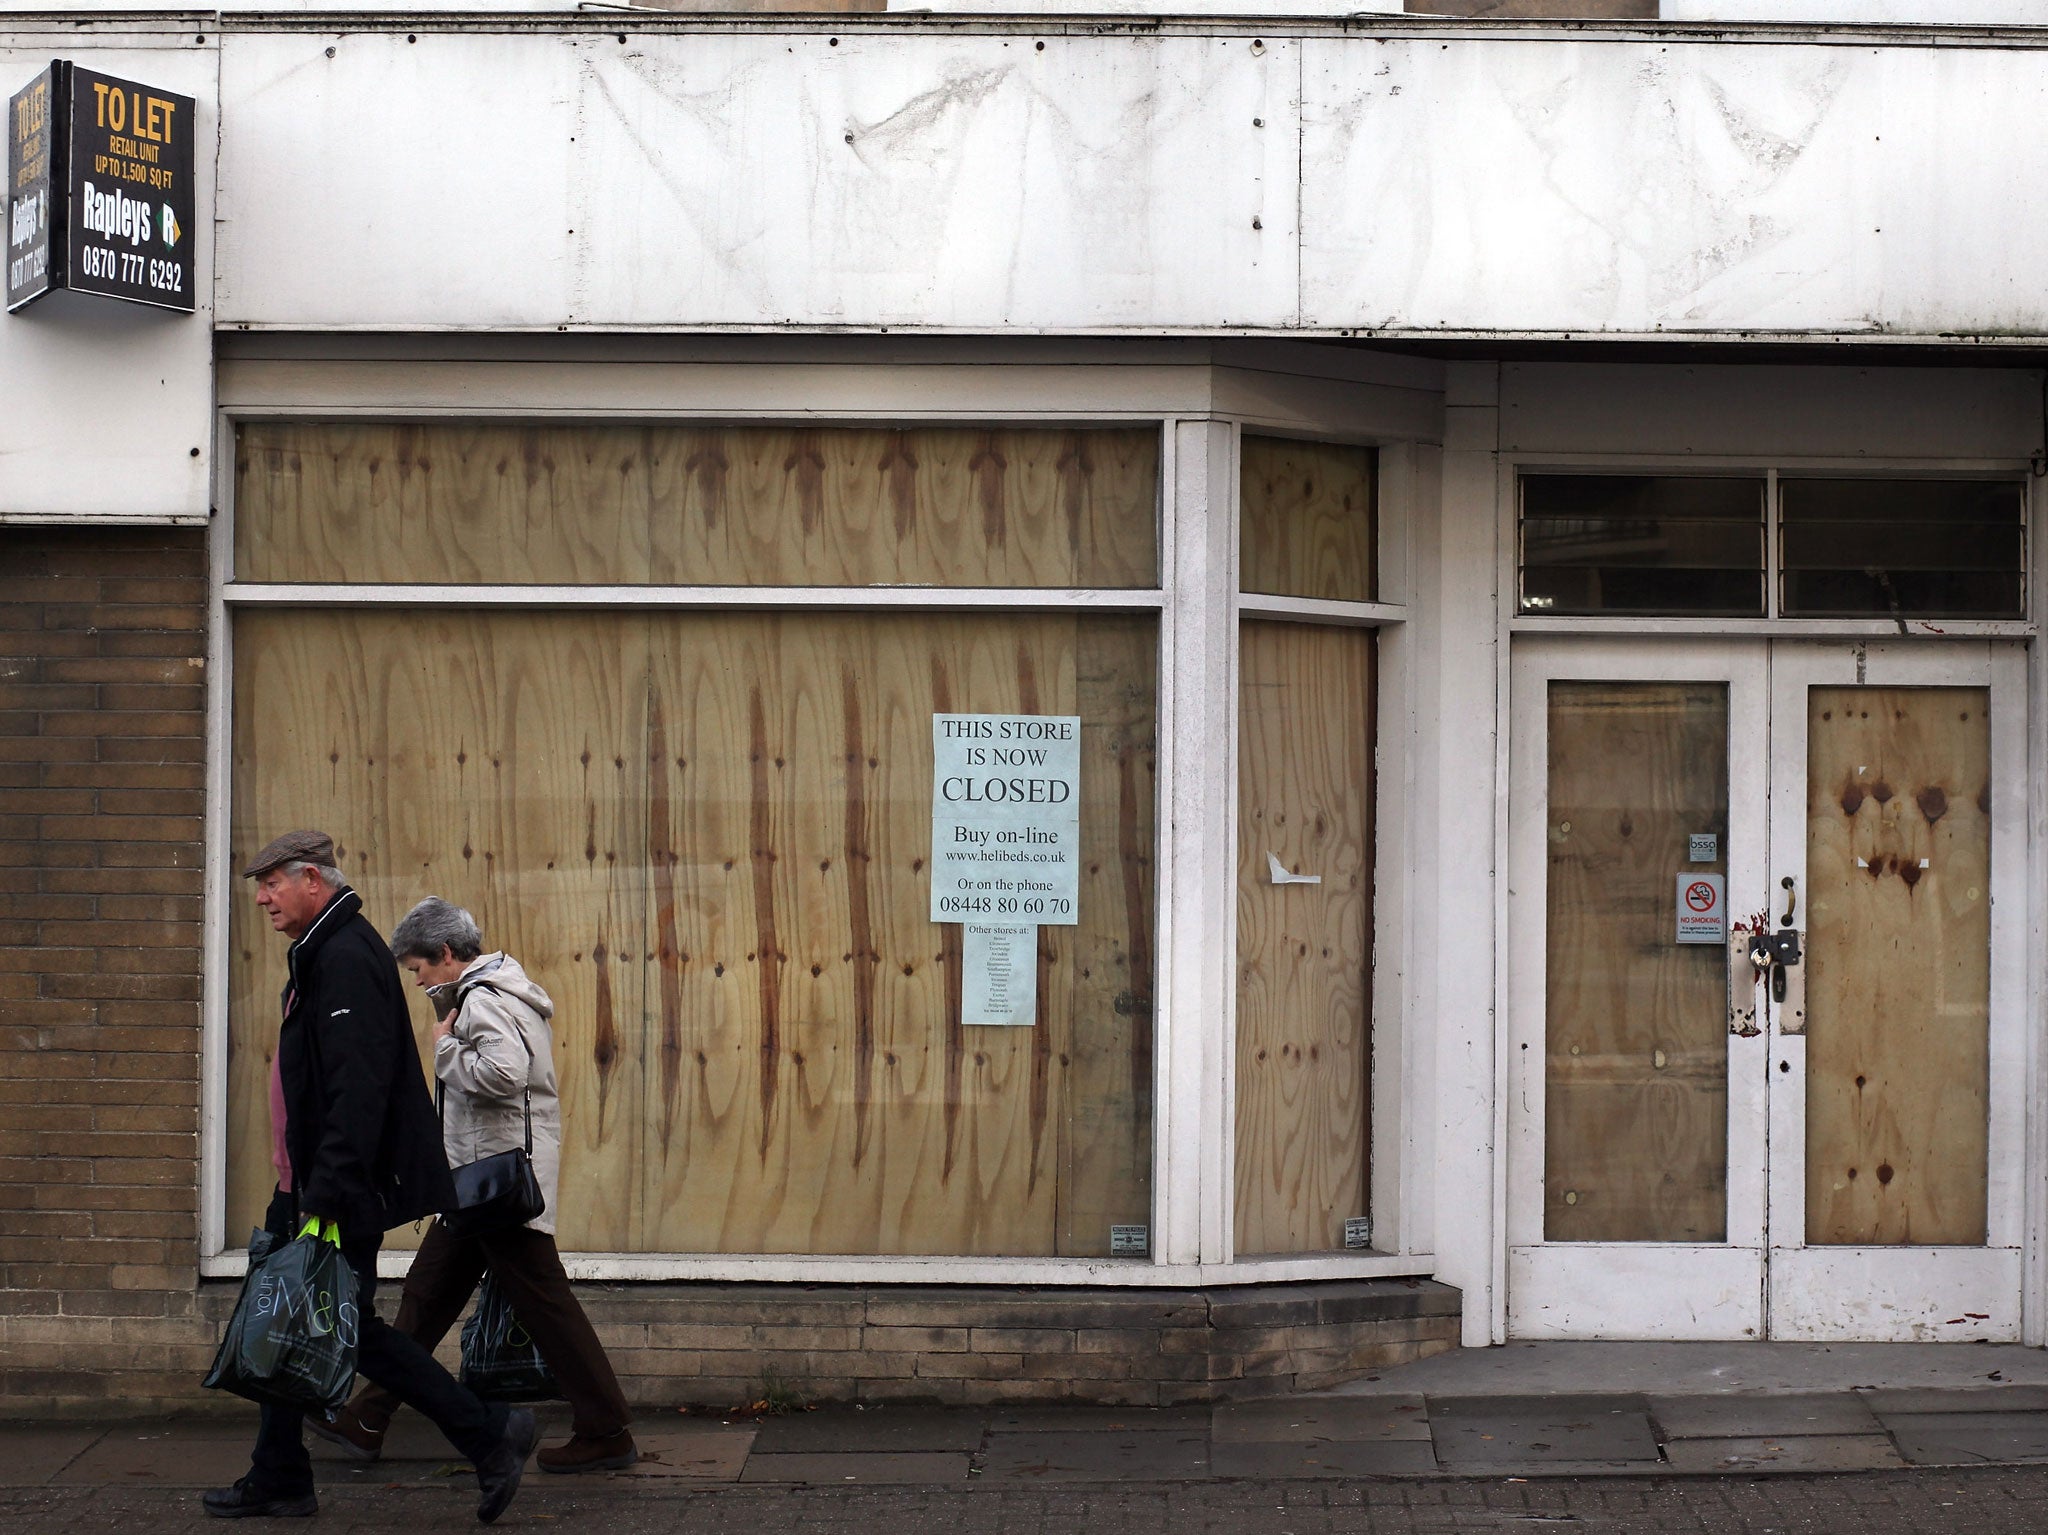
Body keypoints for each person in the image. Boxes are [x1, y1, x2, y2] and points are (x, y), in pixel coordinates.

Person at [205, 833, 537, 1523]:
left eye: (271, 881)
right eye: (258, 884)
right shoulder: (323, 950)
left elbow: (357, 1088)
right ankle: (280, 1475)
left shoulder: (346, 956)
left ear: (312, 880)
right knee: (287, 1311)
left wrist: (325, 1192)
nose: (262, 896)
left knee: (345, 1329)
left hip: (331, 1189)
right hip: (308, 1181)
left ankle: (487, 1433)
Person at [310, 897, 638, 1474]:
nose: (417, 981)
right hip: (477, 1184)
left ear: (444, 954)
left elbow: (505, 1075)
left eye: (418, 968)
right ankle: (367, 1416)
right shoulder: (497, 993)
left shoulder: (482, 999)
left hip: (496, 1189)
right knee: (428, 1292)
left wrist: (444, 1050)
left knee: (544, 1306)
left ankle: (606, 1429)